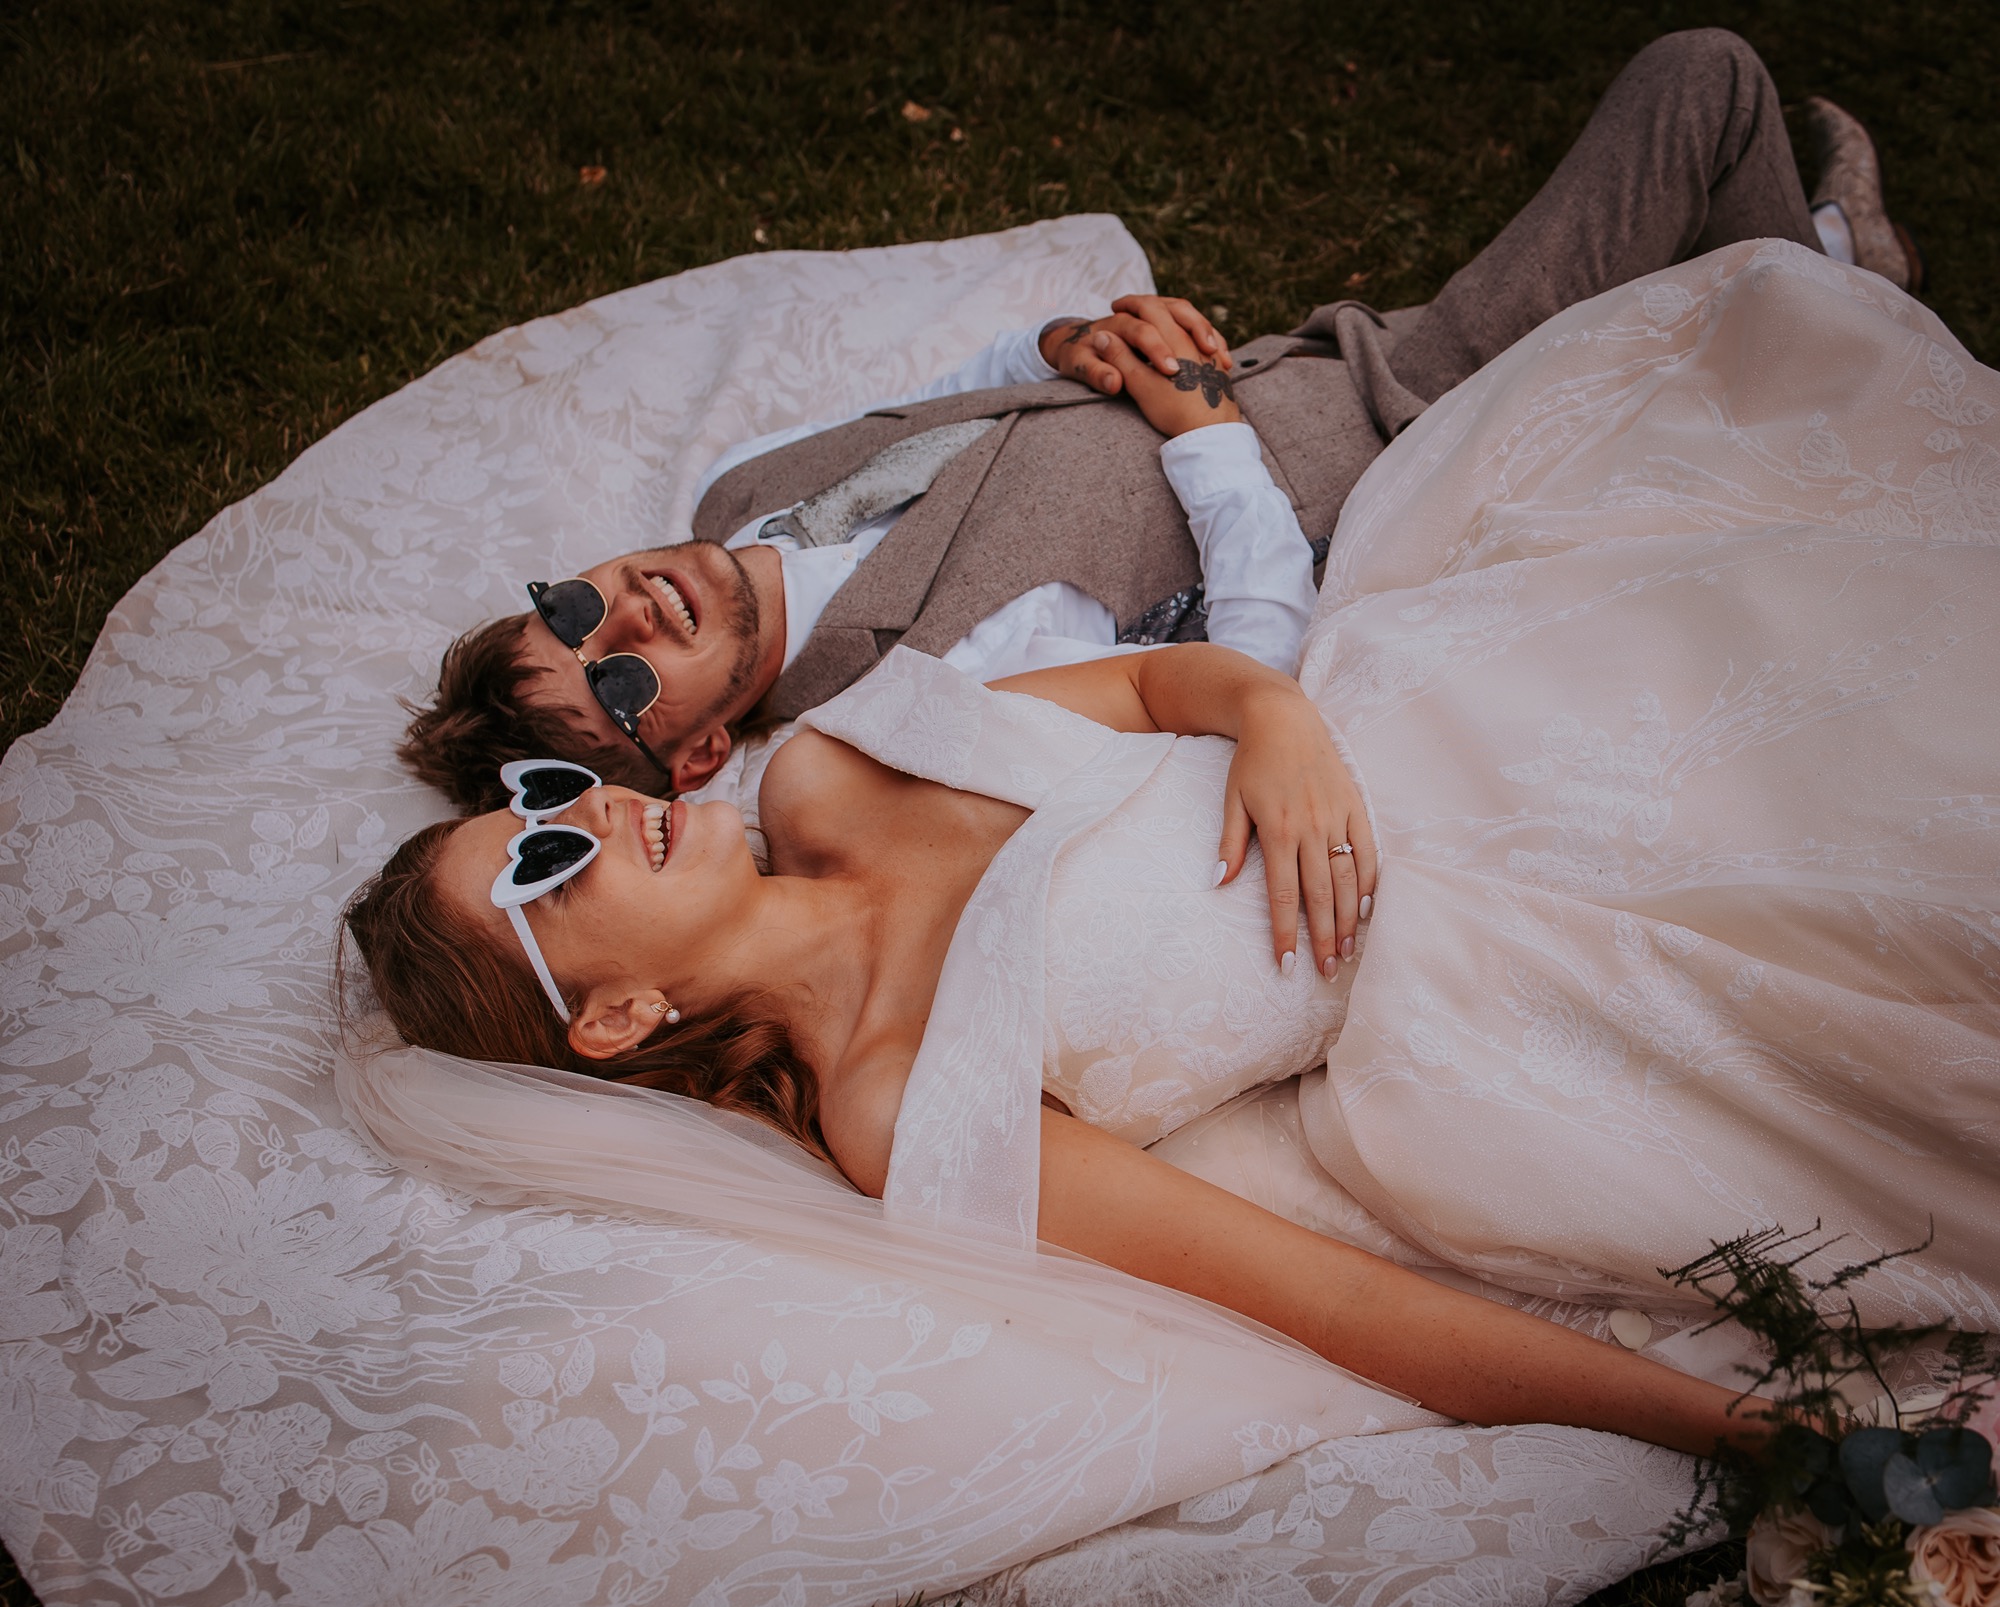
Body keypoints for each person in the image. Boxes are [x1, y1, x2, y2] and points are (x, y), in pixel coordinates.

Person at [343, 227, 2000, 1463]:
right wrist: (1746, 1435)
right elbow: (1327, 1303)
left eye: (547, 804)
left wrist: (1272, 724)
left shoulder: (822, 777)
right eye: (545, 864)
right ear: (614, 1017)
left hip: (1441, 716)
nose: (592, 812)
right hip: (1487, 986)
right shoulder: (889, 1104)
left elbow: (1157, 675)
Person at [394, 29, 1922, 816]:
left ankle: (1813, 284)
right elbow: (1245, 663)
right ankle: (1847, 294)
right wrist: (1197, 433)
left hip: (1324, 351)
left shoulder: (747, 485)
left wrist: (1056, 338)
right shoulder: (909, 694)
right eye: (621, 677)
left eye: (571, 603)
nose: (631, 608)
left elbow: (954, 401)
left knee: (1711, 257)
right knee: (1706, 84)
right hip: (1421, 438)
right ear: (706, 748)